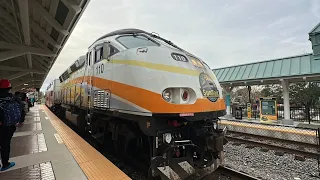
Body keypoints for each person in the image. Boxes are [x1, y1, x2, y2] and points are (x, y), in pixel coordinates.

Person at [0, 79, 21, 171]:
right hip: (8, 126)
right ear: (9, 88)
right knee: (5, 145)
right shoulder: (13, 98)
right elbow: (20, 109)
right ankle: (5, 164)